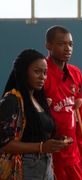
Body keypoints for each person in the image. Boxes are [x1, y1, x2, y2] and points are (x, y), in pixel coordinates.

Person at [0, 49, 70, 180]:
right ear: (23, 72)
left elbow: (38, 133)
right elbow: (4, 144)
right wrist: (42, 147)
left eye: (45, 73)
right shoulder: (12, 100)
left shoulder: (39, 100)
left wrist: (57, 141)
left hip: (46, 167)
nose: (42, 77)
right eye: (37, 72)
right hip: (23, 169)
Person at [44, 25, 82, 180]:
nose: (68, 48)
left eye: (70, 44)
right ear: (48, 45)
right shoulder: (42, 73)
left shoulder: (76, 73)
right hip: (50, 153)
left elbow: (80, 115)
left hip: (73, 152)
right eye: (61, 44)